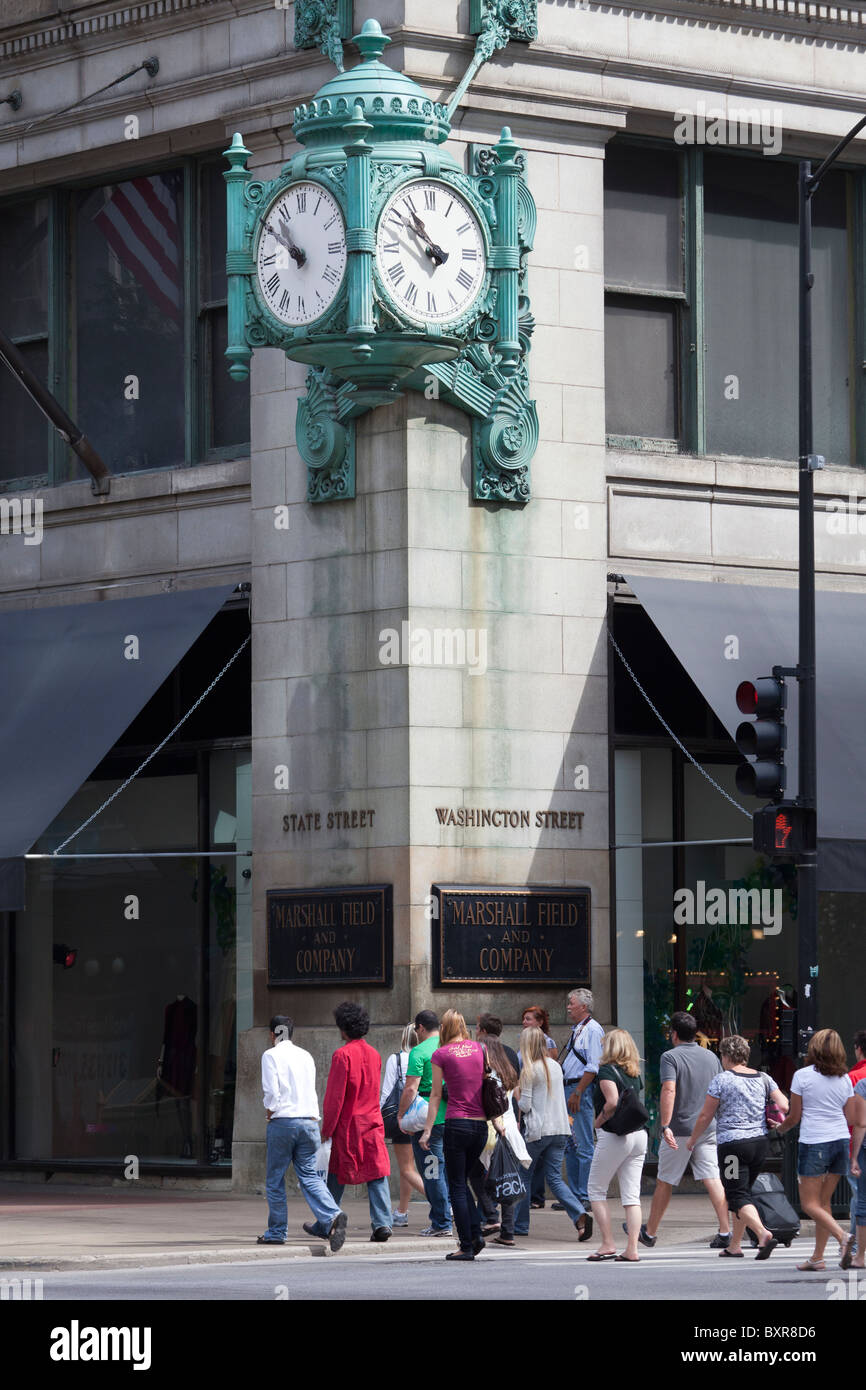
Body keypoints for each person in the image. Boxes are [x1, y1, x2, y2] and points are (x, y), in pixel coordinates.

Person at [633, 1011, 731, 1250]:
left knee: (665, 1181)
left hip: (680, 1127)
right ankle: (726, 1230)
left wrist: (665, 1124)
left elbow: (669, 1089)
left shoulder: (670, 1057)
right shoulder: (711, 1057)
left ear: (674, 1034)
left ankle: (650, 1232)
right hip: (708, 1127)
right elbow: (721, 1089)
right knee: (713, 1178)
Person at [687, 1034, 788, 1261]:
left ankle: (763, 1233)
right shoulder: (764, 1078)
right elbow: (783, 1104)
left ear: (726, 1056)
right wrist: (774, 1119)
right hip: (759, 1144)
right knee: (743, 1194)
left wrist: (693, 1139)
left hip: (733, 1145)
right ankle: (735, 1245)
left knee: (736, 1196)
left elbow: (706, 1115)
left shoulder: (722, 1080)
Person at [259, 1015, 347, 1252]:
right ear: (291, 1031)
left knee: (275, 1179)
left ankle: (277, 1231)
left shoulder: (271, 1055)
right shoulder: (305, 1055)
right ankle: (333, 1214)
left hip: (283, 1121)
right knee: (309, 1175)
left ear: (271, 1034)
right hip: (309, 1122)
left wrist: (270, 1111)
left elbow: (271, 1091)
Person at [774, 1027, 859, 1270]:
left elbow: (794, 1117)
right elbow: (851, 1117)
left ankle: (842, 1237)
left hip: (814, 1142)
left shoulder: (802, 1076)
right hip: (840, 1141)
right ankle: (817, 1258)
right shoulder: (844, 1079)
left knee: (809, 1205)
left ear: (814, 1048)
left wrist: (780, 1128)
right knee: (824, 1202)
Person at [320, 1002, 392, 1243]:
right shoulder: (374, 1054)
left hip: (349, 1125)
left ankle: (327, 1220)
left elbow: (335, 1098)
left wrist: (326, 1129)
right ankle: (382, 1223)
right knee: (377, 1173)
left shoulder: (342, 1055)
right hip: (372, 1121)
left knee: (336, 1174)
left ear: (343, 1028)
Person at [419, 1009, 488, 1260]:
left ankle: (467, 1245)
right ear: (463, 1026)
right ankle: (475, 1234)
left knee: (456, 1186)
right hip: (480, 1126)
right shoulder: (480, 1049)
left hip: (456, 1124)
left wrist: (427, 1131)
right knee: (464, 1181)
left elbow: (436, 1095)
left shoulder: (441, 1054)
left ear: (444, 1028)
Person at [514, 1026, 591, 1240]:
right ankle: (579, 1215)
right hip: (560, 1129)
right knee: (555, 1178)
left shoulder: (530, 1069)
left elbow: (526, 1106)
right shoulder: (556, 1066)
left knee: (523, 1176)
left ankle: (520, 1225)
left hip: (538, 1131)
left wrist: (515, 1092)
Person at [585, 1027, 647, 1262]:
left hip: (615, 1135)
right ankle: (632, 1248)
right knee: (632, 1196)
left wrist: (597, 1123)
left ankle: (607, 1243)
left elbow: (611, 1103)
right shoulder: (634, 1071)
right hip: (639, 1135)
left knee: (596, 1189)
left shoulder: (606, 1071)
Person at [468, 1036, 529, 1246]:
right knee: (507, 1178)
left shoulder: (488, 1076)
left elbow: (488, 1105)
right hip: (511, 1129)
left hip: (493, 1129)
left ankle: (491, 1216)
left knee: (475, 1174)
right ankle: (507, 1232)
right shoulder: (509, 1073)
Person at [397, 1009, 452, 1236]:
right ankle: (451, 1216)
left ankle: (441, 1223)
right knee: (448, 1171)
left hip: (429, 1118)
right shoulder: (450, 1046)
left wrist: (400, 1115)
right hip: (454, 1115)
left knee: (432, 1172)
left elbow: (411, 1088)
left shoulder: (419, 1051)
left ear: (420, 1028)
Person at [560, 987, 605, 1214]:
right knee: (570, 1145)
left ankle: (585, 1195)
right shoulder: (579, 1029)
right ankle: (574, 1194)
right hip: (570, 1089)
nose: (568, 1007)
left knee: (584, 1144)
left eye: (572, 1003)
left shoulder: (593, 1030)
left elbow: (593, 1066)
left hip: (579, 1091)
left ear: (584, 1007)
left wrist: (578, 1091)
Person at [380, 1022, 426, 1227]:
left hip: (404, 1117)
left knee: (407, 1168)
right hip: (426, 1116)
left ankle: (444, 1203)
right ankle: (402, 1211)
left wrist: (380, 1115)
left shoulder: (396, 1059)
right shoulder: (427, 1056)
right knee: (410, 1166)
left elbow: (387, 1091)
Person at [848, 1075, 866, 1272]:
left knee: (863, 1201)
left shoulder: (863, 1085)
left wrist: (854, 1155)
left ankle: (860, 1256)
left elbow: (860, 1123)